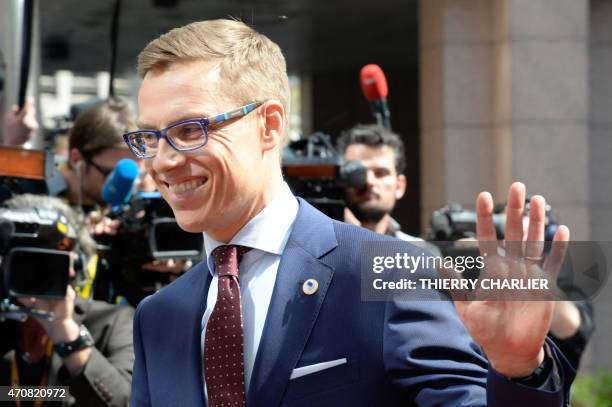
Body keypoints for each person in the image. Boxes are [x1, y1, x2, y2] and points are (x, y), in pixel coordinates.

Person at [128, 19, 574, 406]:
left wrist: (519, 370)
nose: (163, 161)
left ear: (270, 126)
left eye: (191, 130)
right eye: (149, 137)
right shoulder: (159, 317)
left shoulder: (385, 273)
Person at [0, 194, 134, 406]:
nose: (35, 272)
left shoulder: (112, 322)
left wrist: (67, 332)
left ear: (74, 266)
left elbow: (126, 402)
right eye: (27, 262)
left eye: (48, 262)